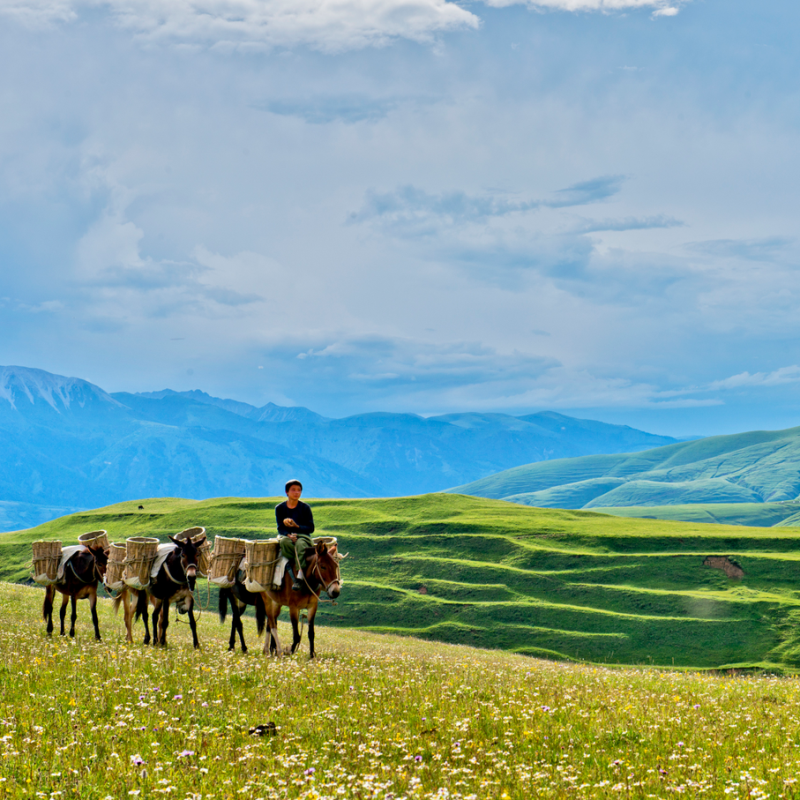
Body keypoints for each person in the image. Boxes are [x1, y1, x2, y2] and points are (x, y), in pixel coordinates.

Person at [275, 479, 315, 591]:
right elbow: (280, 528)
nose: (296, 492)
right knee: (283, 542)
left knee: (300, 544)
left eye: (299, 490)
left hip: (303, 537)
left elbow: (311, 528)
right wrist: (288, 535)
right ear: (286, 492)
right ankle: (298, 559)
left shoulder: (305, 508)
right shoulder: (280, 508)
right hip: (287, 536)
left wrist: (297, 527)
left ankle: (300, 574)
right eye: (293, 490)